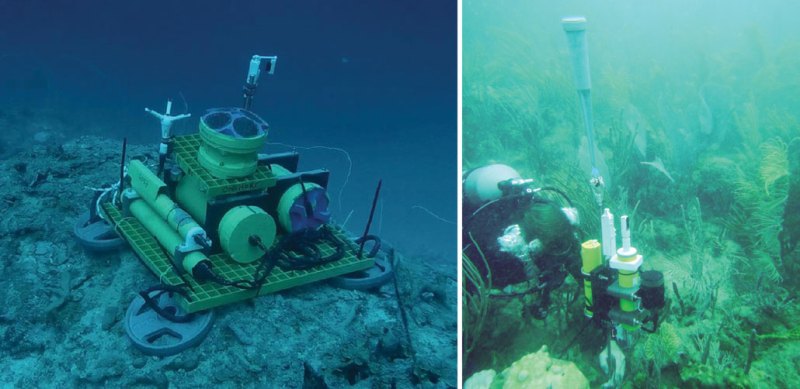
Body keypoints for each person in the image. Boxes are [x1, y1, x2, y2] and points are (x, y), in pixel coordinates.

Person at [462, 164, 582, 319]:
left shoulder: (554, 219)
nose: (560, 255)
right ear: (533, 247)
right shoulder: (493, 254)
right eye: (553, 249)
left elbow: (572, 258)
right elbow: (470, 280)